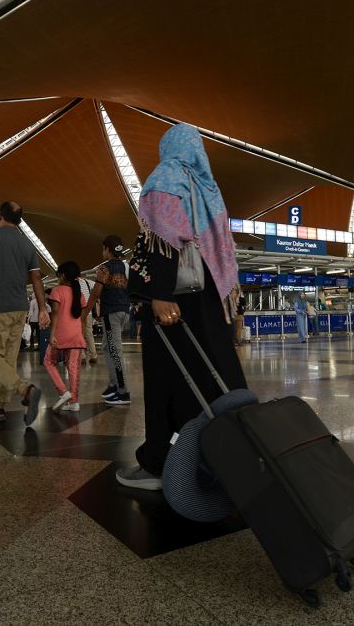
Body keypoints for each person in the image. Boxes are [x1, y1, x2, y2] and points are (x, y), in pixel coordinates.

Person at [121, 122, 247, 490]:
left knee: (165, 379)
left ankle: (158, 463)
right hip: (210, 299)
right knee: (213, 376)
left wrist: (159, 294)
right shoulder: (209, 189)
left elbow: (163, 241)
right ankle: (222, 454)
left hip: (175, 300)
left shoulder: (165, 178)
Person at [0, 201, 50, 425]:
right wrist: (43, 308)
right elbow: (36, 278)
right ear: (19, 220)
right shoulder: (27, 244)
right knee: (8, 360)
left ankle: (26, 390)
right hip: (19, 307)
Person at [84, 235, 132, 406]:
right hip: (124, 311)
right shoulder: (126, 266)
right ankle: (113, 385)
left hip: (111, 312)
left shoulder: (104, 268)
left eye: (103, 249)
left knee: (115, 351)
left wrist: (85, 313)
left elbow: (96, 292)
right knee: (107, 346)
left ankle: (123, 392)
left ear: (107, 249)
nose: (102, 252)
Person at [44, 261, 87, 412]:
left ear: (62, 275)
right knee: (74, 368)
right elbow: (82, 318)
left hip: (60, 335)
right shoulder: (79, 294)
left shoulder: (57, 291)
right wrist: (82, 335)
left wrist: (52, 334)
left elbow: (55, 314)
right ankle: (74, 402)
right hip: (76, 336)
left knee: (49, 361)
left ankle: (63, 392)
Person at [78, 276, 98, 362]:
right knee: (89, 333)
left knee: (79, 334)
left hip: (78, 312)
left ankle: (82, 356)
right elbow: (98, 289)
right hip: (88, 312)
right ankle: (93, 355)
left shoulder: (72, 282)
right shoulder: (88, 282)